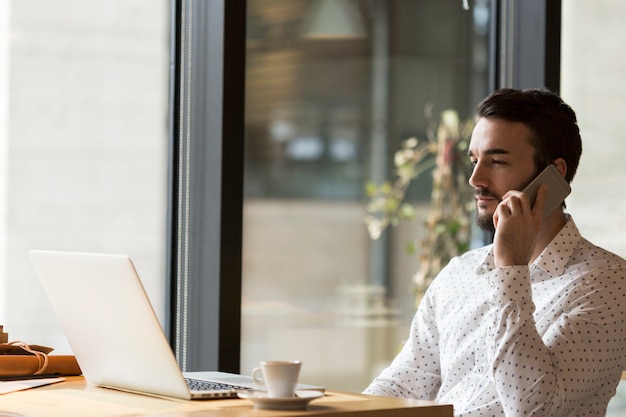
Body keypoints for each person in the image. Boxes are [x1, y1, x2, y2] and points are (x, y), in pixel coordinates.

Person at [363, 88, 626, 416]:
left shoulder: (608, 284)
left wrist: (511, 269)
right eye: (475, 161)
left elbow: (533, 409)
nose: (476, 178)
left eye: (497, 161)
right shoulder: (460, 274)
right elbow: (405, 383)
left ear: (554, 175)